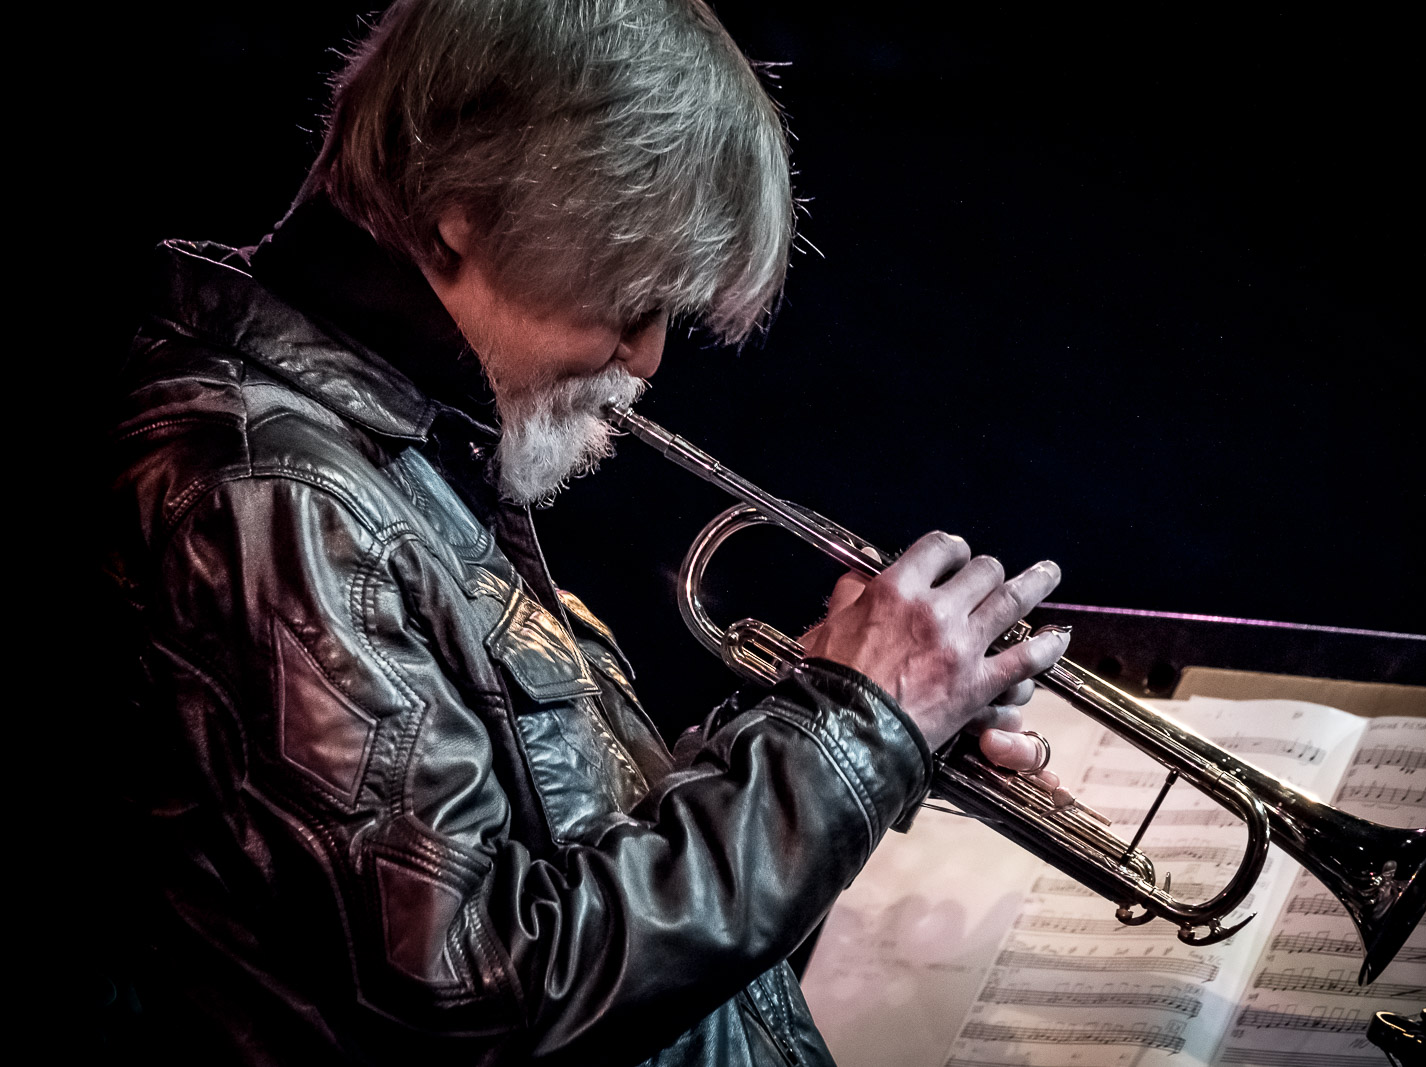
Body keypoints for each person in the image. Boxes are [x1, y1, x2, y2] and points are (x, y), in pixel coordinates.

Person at [104, 1, 1072, 1063]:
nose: (647, 356)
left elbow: (578, 889)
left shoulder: (391, 452)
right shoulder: (267, 488)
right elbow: (476, 1000)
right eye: (631, 291)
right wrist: (849, 731)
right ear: (461, 206)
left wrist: (858, 728)